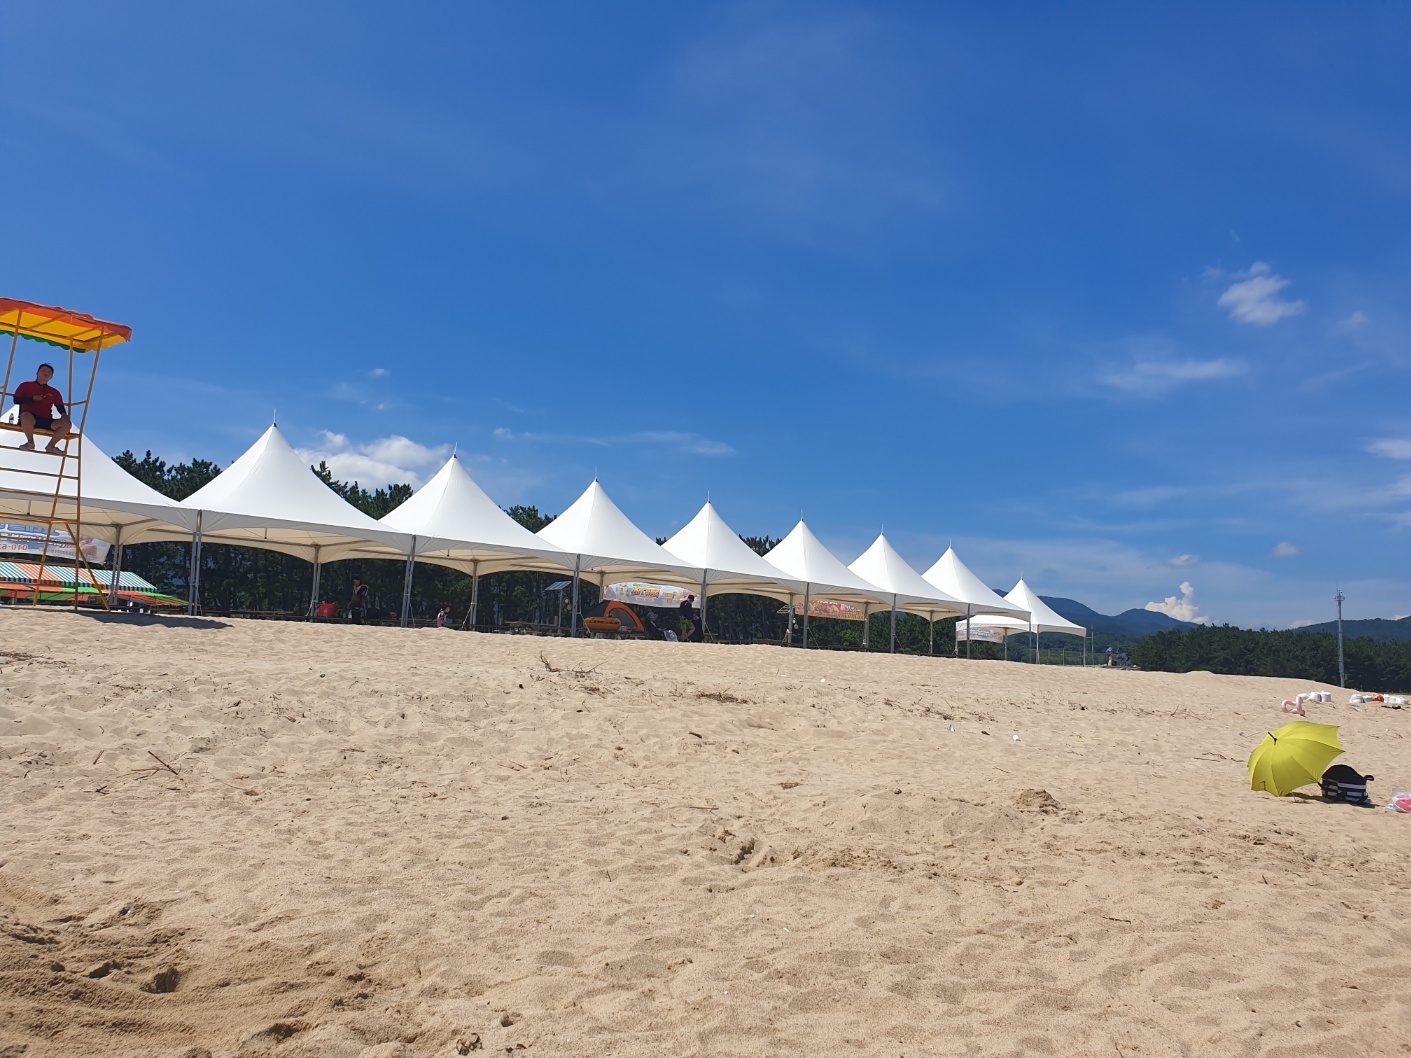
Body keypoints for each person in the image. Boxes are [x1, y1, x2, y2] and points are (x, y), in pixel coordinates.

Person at [12, 363, 72, 454]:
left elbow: (59, 406)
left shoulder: (54, 392)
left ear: (51, 376)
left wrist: (64, 415)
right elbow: (16, 400)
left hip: (47, 420)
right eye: (43, 371)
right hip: (29, 418)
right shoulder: (25, 385)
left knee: (66, 424)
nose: (46, 373)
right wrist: (32, 399)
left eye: (49, 372)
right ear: (37, 373)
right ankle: (30, 442)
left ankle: (51, 446)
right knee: (25, 415)